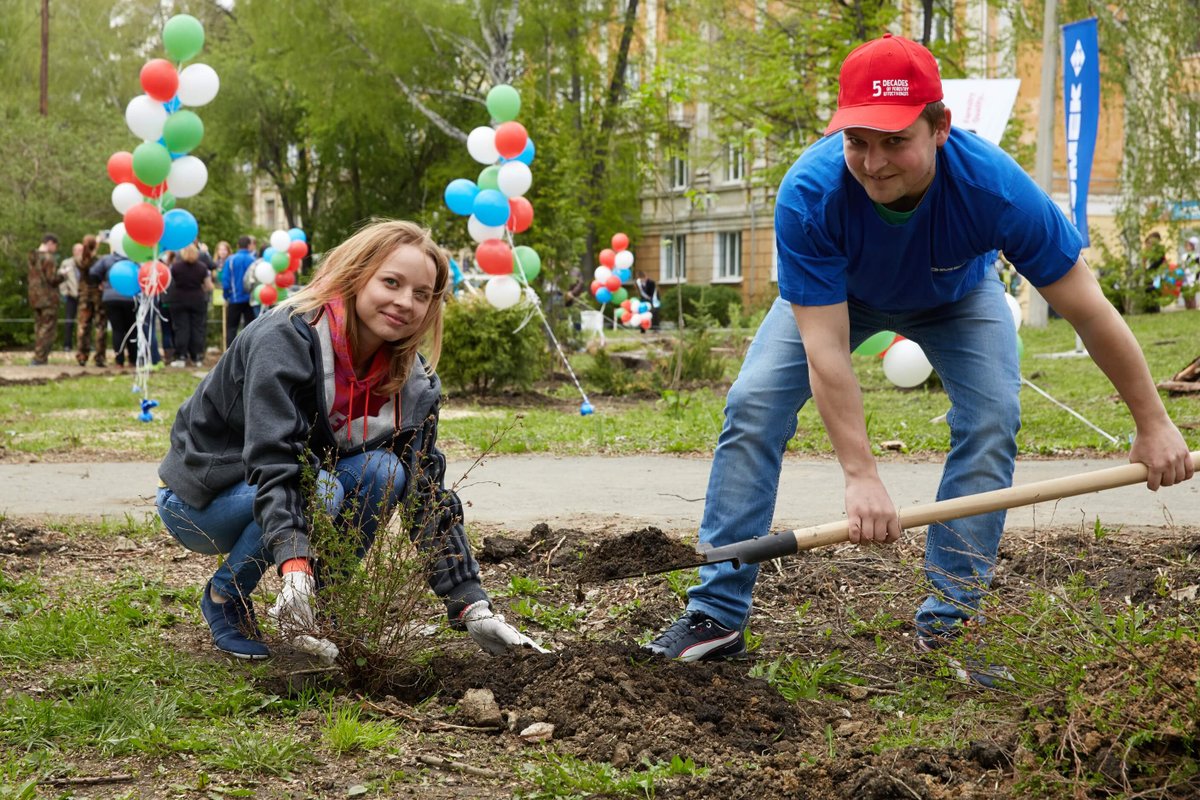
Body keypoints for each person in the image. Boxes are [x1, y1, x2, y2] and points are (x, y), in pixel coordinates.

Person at [644, 34, 1194, 686]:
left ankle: (954, 619)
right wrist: (861, 474)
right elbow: (825, 350)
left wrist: (1153, 421)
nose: (873, 163)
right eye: (857, 142)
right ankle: (716, 616)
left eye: (894, 141)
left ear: (939, 128)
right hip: (838, 296)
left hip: (956, 296)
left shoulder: (995, 191)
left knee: (993, 415)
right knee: (755, 402)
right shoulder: (810, 194)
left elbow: (1090, 311)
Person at [156, 219, 546, 660]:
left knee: (385, 471)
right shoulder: (284, 337)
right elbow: (274, 461)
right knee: (322, 489)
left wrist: (471, 604)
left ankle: (320, 610)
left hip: (301, 491)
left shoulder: (412, 382)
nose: (405, 302)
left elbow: (424, 493)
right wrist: (295, 566)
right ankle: (227, 598)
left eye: (422, 294)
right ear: (357, 274)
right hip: (201, 501)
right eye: (391, 282)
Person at [169, 244, 212, 367]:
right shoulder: (202, 267)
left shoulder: (176, 267)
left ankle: (181, 356)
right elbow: (208, 286)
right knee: (197, 328)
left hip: (179, 299)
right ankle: (197, 356)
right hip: (197, 299)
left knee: (181, 328)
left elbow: (170, 282)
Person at [27, 233, 62, 365]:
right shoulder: (48, 258)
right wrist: (63, 275)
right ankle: (39, 357)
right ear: (50, 243)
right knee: (47, 328)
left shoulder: (32, 257)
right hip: (48, 298)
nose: (55, 249)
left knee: (39, 326)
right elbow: (52, 279)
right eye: (55, 246)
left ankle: (40, 356)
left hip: (34, 297)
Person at [75, 234, 107, 367]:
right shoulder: (100, 261)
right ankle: (99, 357)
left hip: (84, 295)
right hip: (98, 295)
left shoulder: (79, 260)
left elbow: (85, 260)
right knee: (100, 326)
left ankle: (82, 355)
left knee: (83, 325)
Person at [222, 236, 256, 346]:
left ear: (237, 245)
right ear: (249, 245)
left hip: (234, 298)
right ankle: (247, 352)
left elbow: (226, 280)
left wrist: (226, 295)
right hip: (249, 299)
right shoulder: (252, 260)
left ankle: (230, 353)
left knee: (231, 327)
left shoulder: (231, 260)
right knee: (249, 327)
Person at [58, 242, 83, 351]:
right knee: (69, 320)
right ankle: (67, 344)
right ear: (73, 251)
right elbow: (61, 278)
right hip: (71, 295)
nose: (80, 252)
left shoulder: (85, 263)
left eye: (81, 250)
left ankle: (83, 345)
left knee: (84, 321)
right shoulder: (66, 263)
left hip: (83, 296)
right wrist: (65, 292)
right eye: (78, 250)